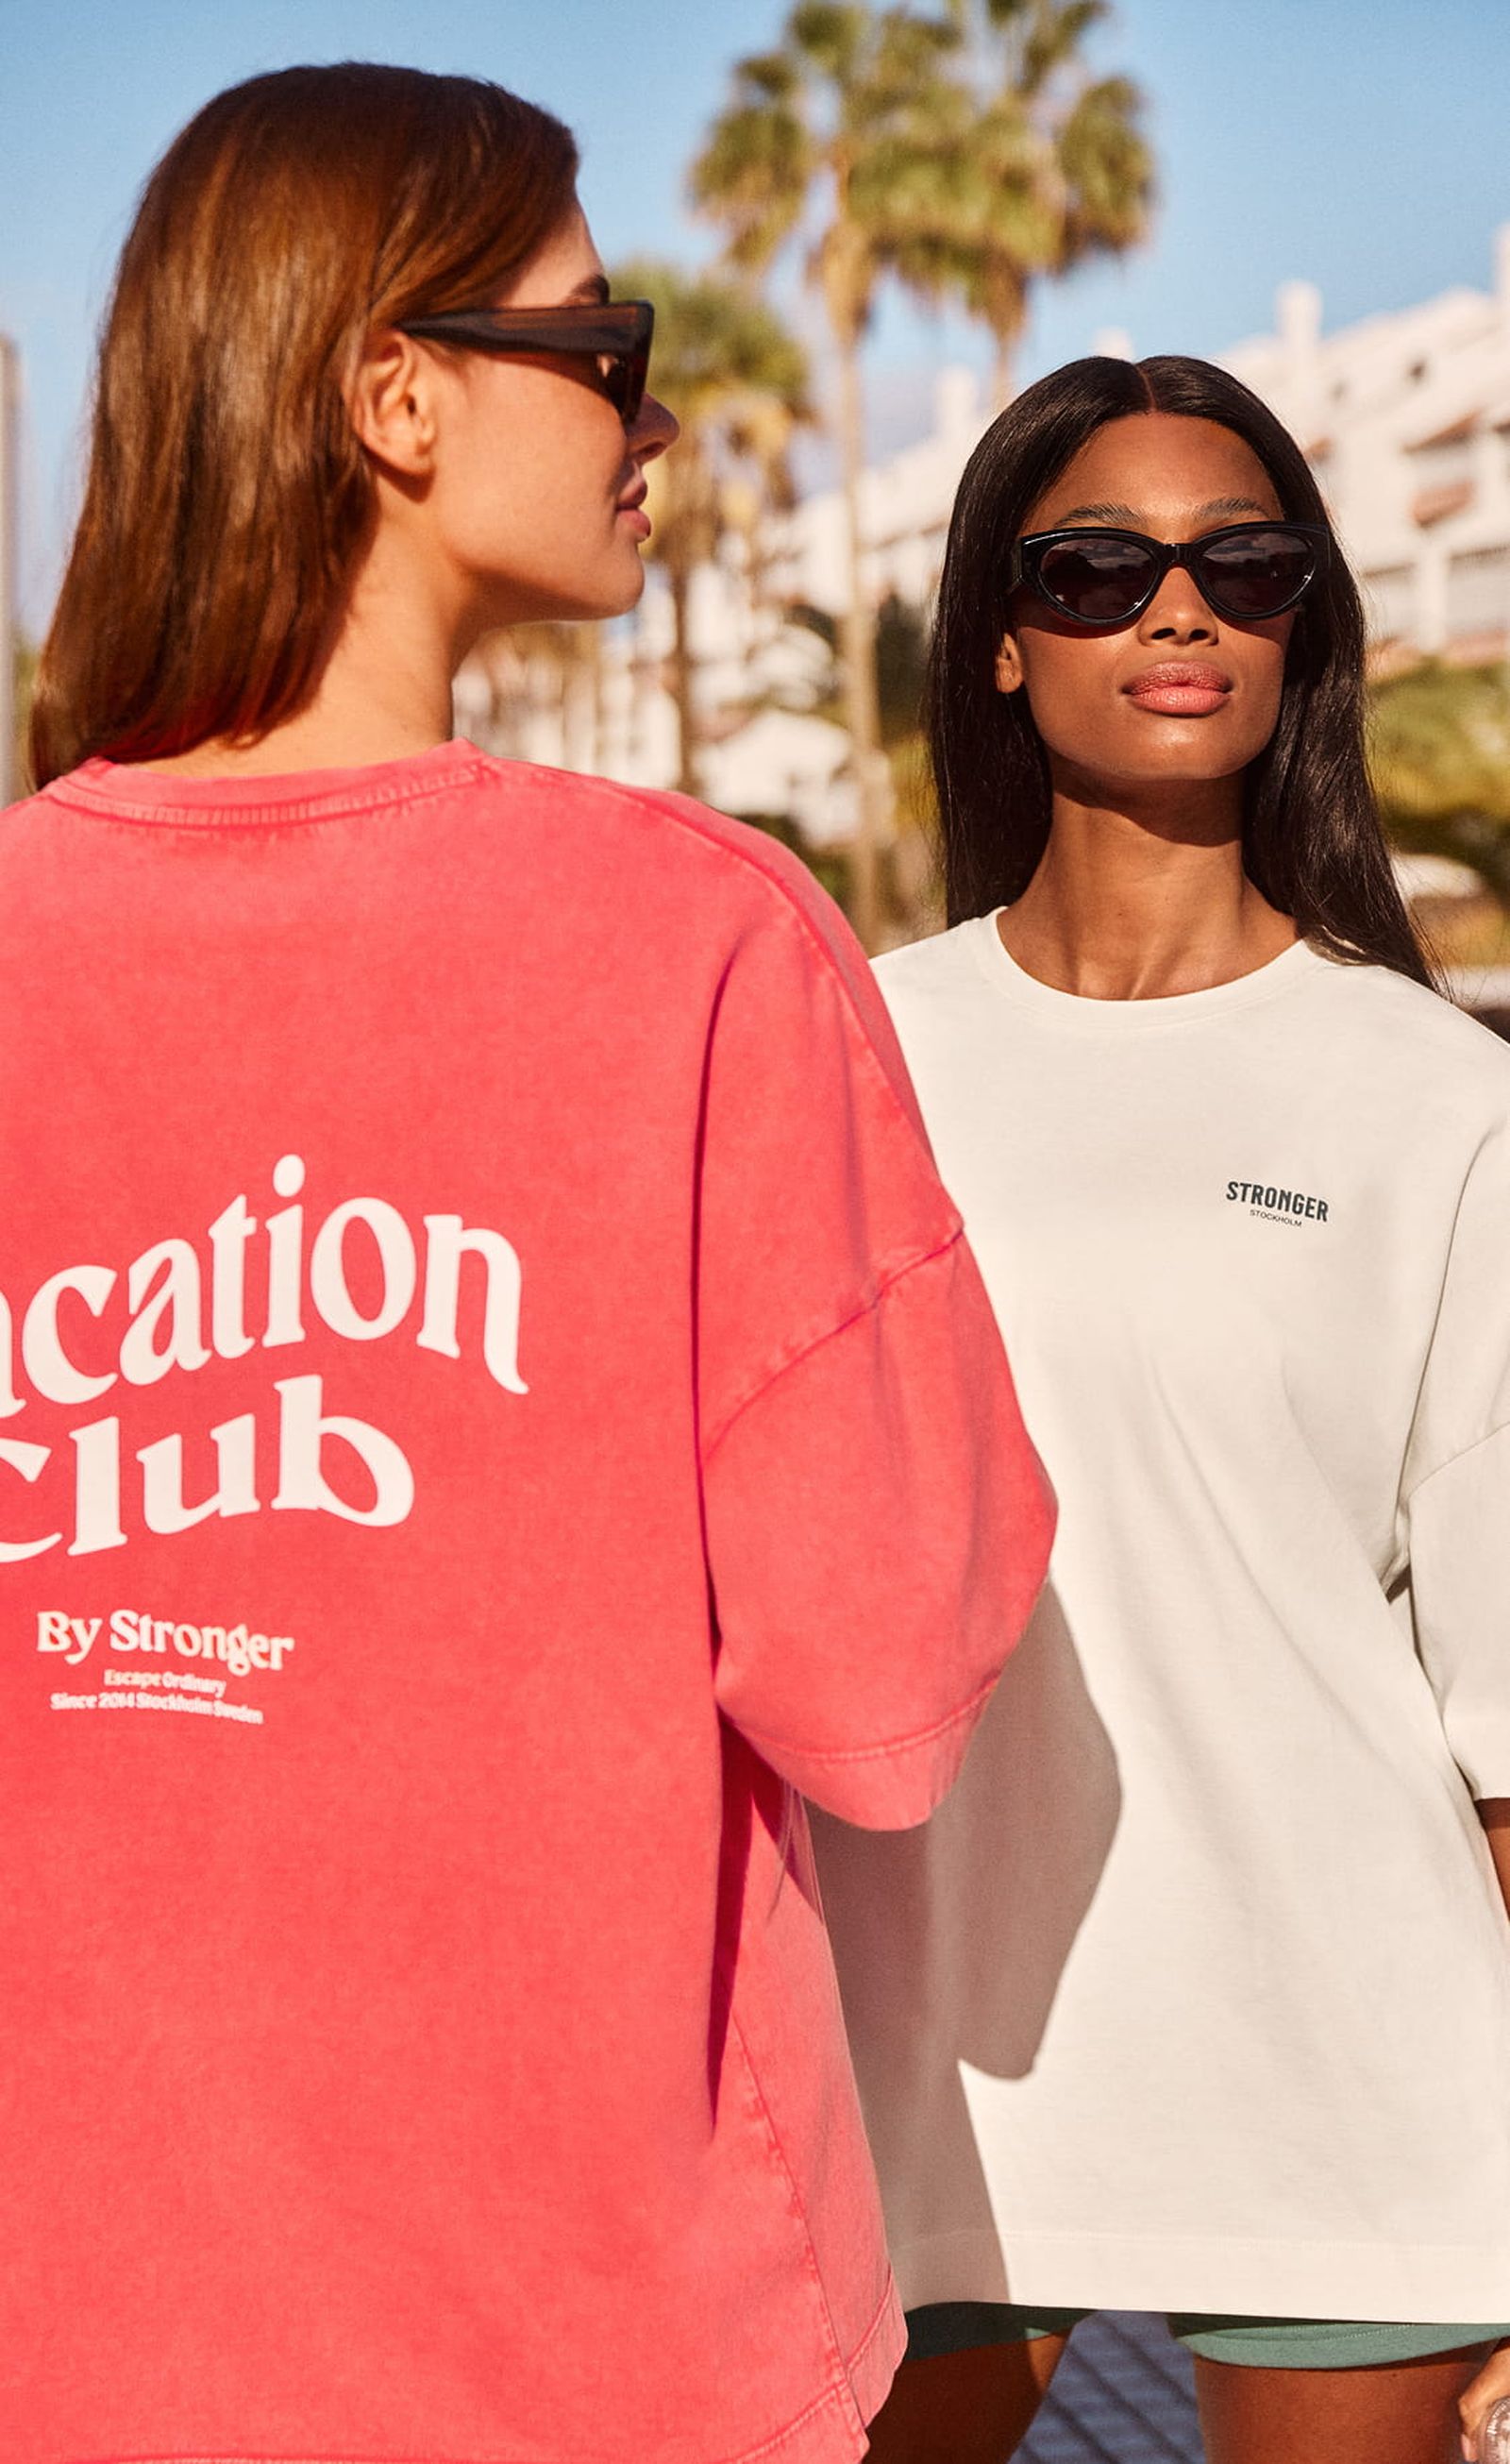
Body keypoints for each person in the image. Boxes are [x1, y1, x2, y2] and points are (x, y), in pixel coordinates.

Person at [1, 64, 1055, 2464]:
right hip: (578, 2319)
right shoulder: (688, 946)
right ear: (392, 390)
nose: (650, 411)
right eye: (602, 339)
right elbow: (884, 1663)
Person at [808, 355, 1510, 2464]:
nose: (1175, 612)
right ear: (1000, 642)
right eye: (1098, 568)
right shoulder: (849, 1053)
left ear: (1304, 631)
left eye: (1243, 566)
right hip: (919, 2039)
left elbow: (1496, 1706)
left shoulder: (1433, 1095)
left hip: (1341, 2034)